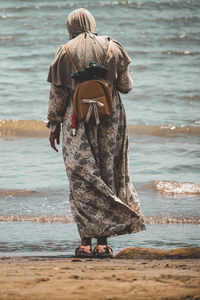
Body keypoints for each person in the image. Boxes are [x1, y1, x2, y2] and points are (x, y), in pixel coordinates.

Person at [46, 8, 146, 258]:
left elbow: (58, 95)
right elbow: (126, 86)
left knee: (82, 180)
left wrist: (53, 125)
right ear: (92, 23)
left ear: (70, 26)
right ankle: (103, 244)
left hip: (75, 122)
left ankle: (84, 244)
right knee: (107, 175)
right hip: (110, 120)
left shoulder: (65, 51)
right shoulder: (113, 47)